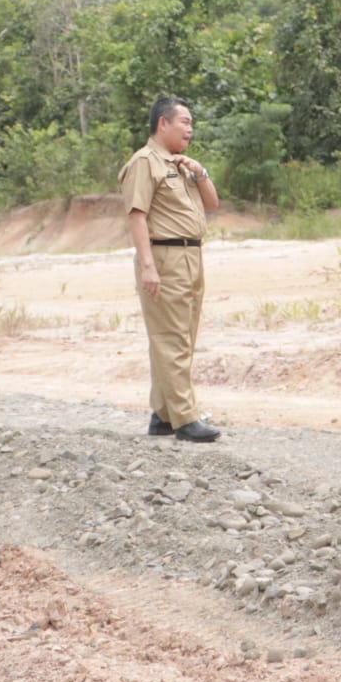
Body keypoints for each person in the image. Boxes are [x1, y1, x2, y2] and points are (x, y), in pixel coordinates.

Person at [119, 97, 222, 443]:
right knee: (171, 339)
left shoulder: (180, 165)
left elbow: (212, 204)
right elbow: (137, 215)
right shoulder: (144, 162)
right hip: (164, 256)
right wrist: (148, 265)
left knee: (183, 337)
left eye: (192, 123)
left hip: (191, 255)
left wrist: (200, 171)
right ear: (163, 124)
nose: (190, 129)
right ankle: (185, 418)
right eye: (185, 122)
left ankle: (163, 414)